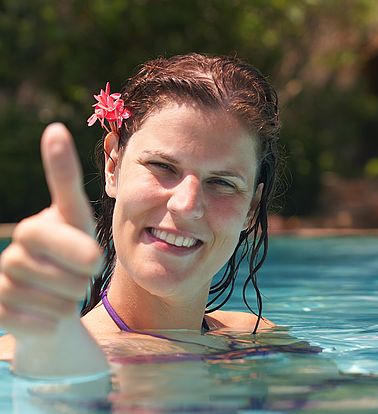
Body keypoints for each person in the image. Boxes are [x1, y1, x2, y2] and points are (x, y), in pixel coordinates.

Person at [0, 53, 281, 378]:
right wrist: (56, 384)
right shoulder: (27, 355)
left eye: (221, 182)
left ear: (250, 208)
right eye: (162, 166)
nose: (186, 205)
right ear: (112, 166)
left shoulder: (257, 343)